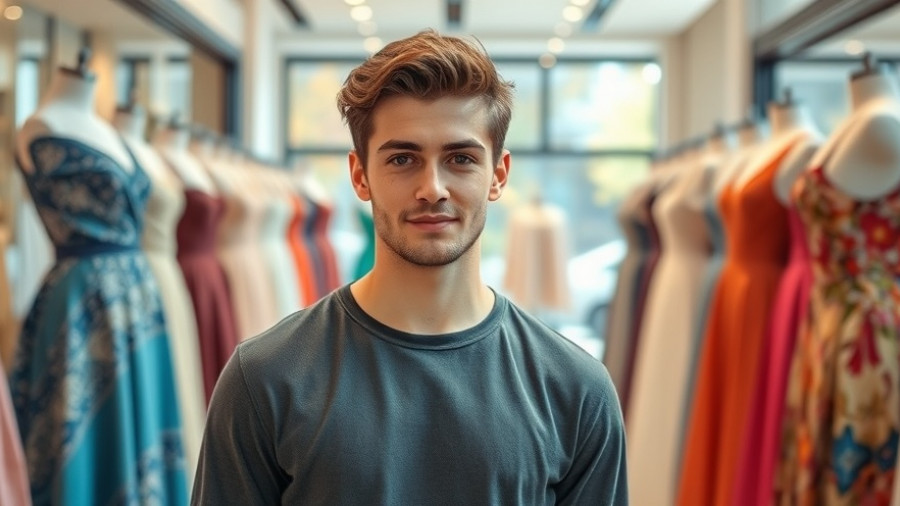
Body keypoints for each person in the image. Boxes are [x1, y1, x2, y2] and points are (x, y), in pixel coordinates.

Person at [191, 29, 627, 505]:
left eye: (460, 158)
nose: (432, 188)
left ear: (498, 176)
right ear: (360, 175)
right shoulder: (264, 379)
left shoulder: (576, 390)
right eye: (403, 158)